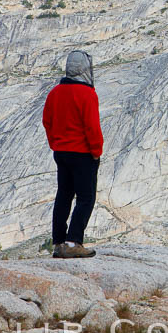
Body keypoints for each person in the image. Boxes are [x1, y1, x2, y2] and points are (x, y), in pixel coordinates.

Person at [42, 50, 103, 258]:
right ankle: (73, 241)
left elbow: (47, 121)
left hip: (61, 152)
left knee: (64, 196)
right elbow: (92, 128)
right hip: (82, 153)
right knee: (86, 198)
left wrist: (55, 143)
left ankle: (58, 243)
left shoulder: (55, 92)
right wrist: (96, 152)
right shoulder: (87, 94)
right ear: (86, 69)